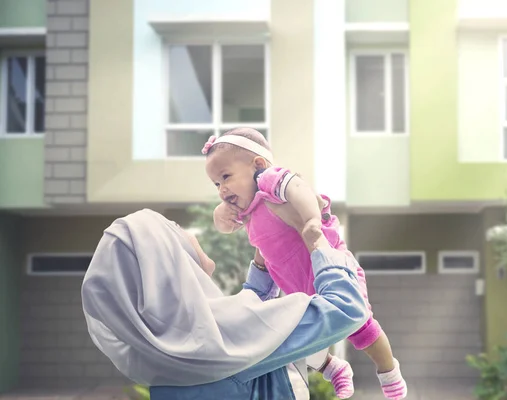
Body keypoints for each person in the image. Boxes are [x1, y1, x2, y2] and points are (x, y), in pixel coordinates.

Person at [81, 208, 370, 399]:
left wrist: (265, 258)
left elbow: (241, 322)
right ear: (167, 257)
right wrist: (319, 243)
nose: (190, 233)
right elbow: (346, 308)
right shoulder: (221, 343)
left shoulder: (159, 356)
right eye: (176, 227)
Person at [204, 128, 408, 400]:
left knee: (361, 328)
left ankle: (389, 371)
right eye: (216, 184)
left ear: (258, 166)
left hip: (330, 263)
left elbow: (299, 188)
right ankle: (332, 368)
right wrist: (221, 216)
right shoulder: (246, 207)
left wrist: (312, 220)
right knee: (296, 334)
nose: (222, 189)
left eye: (226, 177)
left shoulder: (269, 181)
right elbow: (226, 227)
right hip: (296, 285)